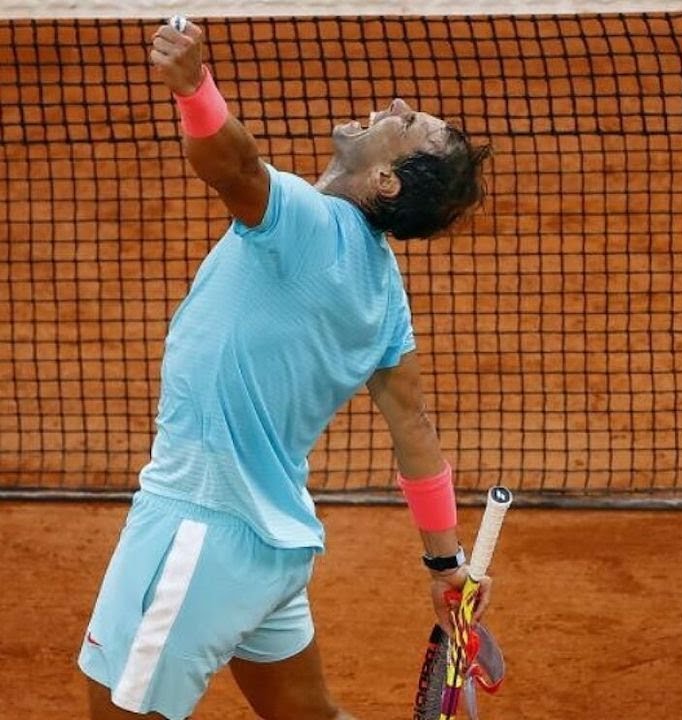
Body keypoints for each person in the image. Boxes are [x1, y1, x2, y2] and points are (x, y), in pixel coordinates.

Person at [78, 19, 492, 719]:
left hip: (200, 525)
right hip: (273, 543)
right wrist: (444, 564)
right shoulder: (385, 294)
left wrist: (194, 87)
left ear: (385, 180)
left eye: (407, 123)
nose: (395, 104)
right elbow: (414, 429)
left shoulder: (306, 222)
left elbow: (235, 169)